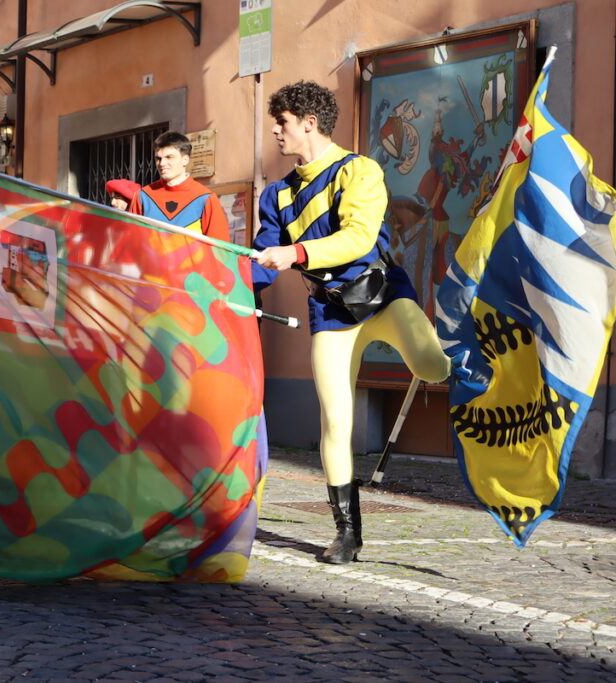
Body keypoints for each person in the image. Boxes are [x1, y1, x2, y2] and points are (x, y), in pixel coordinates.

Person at [252, 81, 450, 564]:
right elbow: (260, 261)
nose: (275, 132)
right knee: (335, 423)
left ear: (308, 122)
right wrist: (219, 283)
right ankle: (347, 534)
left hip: (382, 294)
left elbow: (359, 239)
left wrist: (295, 252)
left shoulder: (360, 170)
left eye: (281, 123)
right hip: (330, 311)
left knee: (431, 365)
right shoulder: (276, 195)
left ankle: (474, 365)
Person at [129, 131, 230, 241]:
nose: (162, 163)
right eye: (158, 158)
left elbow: (219, 249)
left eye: (169, 157)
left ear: (185, 160)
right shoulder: (143, 196)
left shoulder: (205, 198)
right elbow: (131, 241)